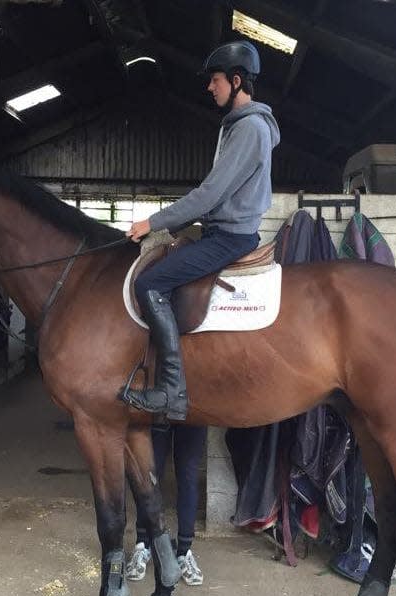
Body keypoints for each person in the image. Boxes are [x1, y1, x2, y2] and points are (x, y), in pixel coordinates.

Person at [122, 40, 281, 421]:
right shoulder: (235, 127)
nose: (210, 88)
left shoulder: (250, 129)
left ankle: (171, 391)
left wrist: (153, 222)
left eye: (216, 80)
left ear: (237, 81)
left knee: (150, 284)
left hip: (230, 237)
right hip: (218, 233)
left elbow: (210, 194)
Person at [125, 423, 207, 586]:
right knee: (149, 477)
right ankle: (143, 544)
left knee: (188, 476)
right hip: (157, 406)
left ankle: (184, 551)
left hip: (193, 409)